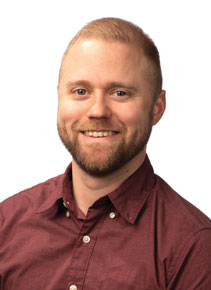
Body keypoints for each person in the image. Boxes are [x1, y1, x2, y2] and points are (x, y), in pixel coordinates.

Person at [0, 17, 210, 290]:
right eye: (80, 91)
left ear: (157, 107)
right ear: (59, 98)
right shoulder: (6, 222)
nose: (98, 110)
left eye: (120, 93)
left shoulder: (194, 246)